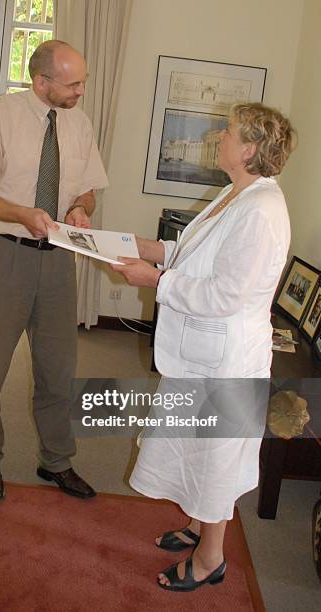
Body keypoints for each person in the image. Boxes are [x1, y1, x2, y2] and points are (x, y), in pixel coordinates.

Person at [111, 102, 295, 592]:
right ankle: (196, 527)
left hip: (228, 358)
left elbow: (224, 294)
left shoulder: (261, 211)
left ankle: (211, 558)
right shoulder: (237, 194)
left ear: (251, 148)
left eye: (229, 131)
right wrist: (143, 248)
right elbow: (192, 253)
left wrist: (154, 280)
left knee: (217, 456)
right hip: (203, 353)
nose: (220, 135)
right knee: (195, 445)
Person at [0, 40, 108, 501]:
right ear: (41, 81)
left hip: (59, 260)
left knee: (58, 371)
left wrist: (82, 209)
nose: (81, 91)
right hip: (3, 254)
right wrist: (24, 214)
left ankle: (57, 462)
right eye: (73, 83)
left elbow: (88, 189)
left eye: (82, 81)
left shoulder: (79, 124)